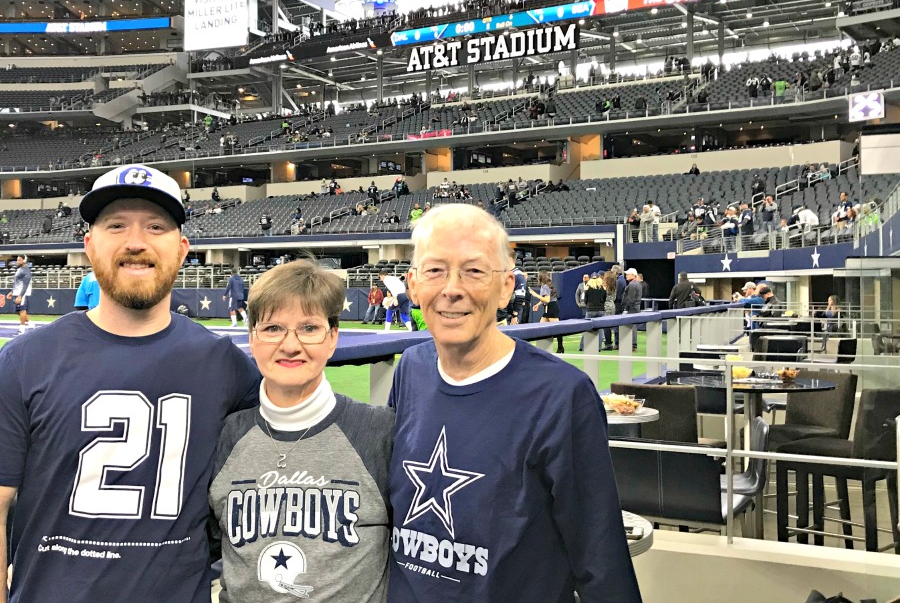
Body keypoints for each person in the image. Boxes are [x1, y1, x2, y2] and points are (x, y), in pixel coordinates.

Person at [0, 164, 260, 603]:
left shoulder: (227, 367)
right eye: (116, 225)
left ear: (181, 249)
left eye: (155, 226)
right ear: (88, 245)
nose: (136, 242)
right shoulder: (24, 361)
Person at [388, 204, 641, 602]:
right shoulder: (410, 370)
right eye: (435, 270)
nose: (452, 288)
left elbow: (598, 553)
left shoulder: (561, 395)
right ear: (414, 285)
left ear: (506, 287)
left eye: (473, 271)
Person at [209, 260, 393, 603]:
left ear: (333, 336)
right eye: (273, 328)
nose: (290, 345)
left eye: (309, 328)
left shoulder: (380, 432)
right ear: (252, 337)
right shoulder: (225, 436)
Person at [529, 270, 564, 353]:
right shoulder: (546, 285)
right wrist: (538, 304)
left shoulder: (545, 286)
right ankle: (542, 348)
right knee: (541, 327)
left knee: (557, 327)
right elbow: (545, 299)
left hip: (551, 307)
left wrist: (535, 295)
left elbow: (547, 300)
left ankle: (560, 347)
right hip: (549, 307)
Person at [6, 254, 32, 334]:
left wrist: (21, 295)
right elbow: (16, 282)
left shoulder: (26, 270)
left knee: (22, 310)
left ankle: (22, 329)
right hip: (17, 292)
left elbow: (25, 284)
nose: (18, 261)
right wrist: (12, 292)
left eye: (20, 260)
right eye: (17, 260)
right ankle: (31, 324)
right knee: (18, 311)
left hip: (22, 293)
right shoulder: (20, 269)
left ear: (24, 260)